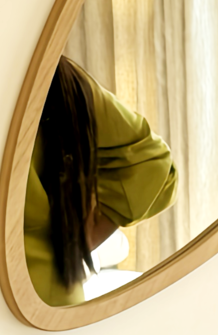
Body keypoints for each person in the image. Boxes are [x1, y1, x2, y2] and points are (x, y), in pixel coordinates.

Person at [25, 56, 178, 308]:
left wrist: (78, 242)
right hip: (45, 306)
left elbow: (156, 166)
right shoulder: (49, 73)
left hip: (42, 308)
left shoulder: (49, 74)